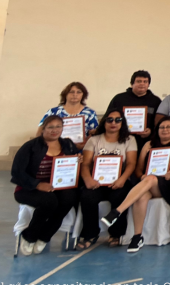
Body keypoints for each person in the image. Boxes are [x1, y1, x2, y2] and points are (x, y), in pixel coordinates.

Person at [100, 115, 170, 253]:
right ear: (157, 130)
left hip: (169, 186)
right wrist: (142, 176)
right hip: (148, 183)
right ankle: (137, 237)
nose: (165, 130)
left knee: (151, 179)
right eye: (161, 127)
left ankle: (117, 211)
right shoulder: (148, 145)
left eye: (168, 127)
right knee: (142, 195)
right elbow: (138, 170)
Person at [12, 116, 80, 255]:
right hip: (28, 188)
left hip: (57, 187)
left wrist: (77, 160)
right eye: (50, 127)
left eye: (58, 126)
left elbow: (71, 165)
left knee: (69, 199)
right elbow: (17, 172)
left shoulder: (68, 144)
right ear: (43, 129)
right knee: (50, 201)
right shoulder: (30, 146)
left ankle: (45, 236)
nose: (54, 130)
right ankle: (29, 235)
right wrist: (37, 185)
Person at [78, 111, 138, 249]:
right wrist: (88, 180)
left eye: (118, 120)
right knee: (87, 196)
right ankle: (90, 234)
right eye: (110, 120)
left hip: (119, 181)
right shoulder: (94, 140)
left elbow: (131, 164)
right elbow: (85, 164)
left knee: (120, 196)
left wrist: (122, 179)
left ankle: (115, 234)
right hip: (96, 182)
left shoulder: (129, 140)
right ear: (104, 122)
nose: (113, 123)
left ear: (122, 123)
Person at [106, 71, 160, 153]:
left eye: (145, 81)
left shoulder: (156, 101)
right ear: (132, 84)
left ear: (148, 84)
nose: (142, 84)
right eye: (139, 81)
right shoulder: (119, 99)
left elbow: (160, 122)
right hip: (121, 140)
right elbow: (107, 118)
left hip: (145, 142)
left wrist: (151, 131)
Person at [38, 82, 99, 150]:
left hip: (83, 149)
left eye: (78, 92)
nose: (75, 95)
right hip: (55, 149)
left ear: (83, 95)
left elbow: (95, 134)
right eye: (71, 92)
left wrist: (84, 145)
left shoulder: (90, 113)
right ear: (65, 94)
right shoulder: (53, 111)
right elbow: (40, 130)